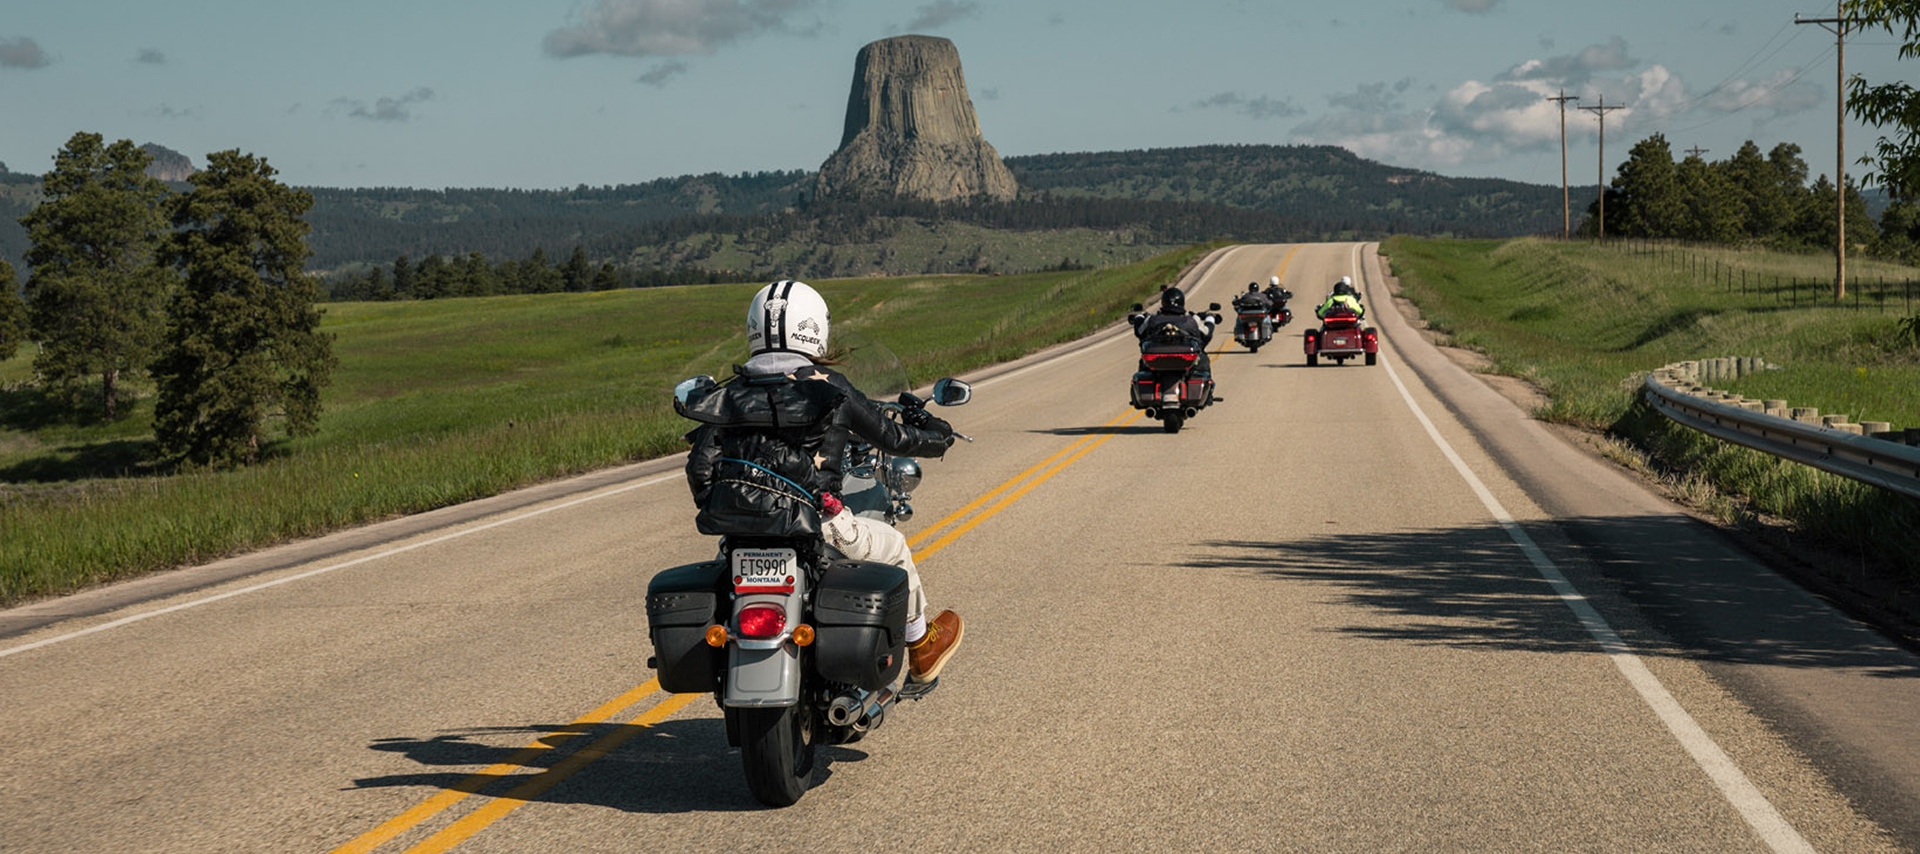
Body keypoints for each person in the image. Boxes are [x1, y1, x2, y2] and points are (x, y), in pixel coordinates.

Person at [682, 279, 963, 684]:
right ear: (814, 328)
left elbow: (699, 469)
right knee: (894, 547)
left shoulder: (728, 395)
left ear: (754, 330)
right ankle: (921, 648)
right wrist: (938, 432)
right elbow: (895, 438)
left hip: (740, 529)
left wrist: (720, 506)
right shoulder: (829, 389)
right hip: (819, 521)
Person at [1131, 285, 1217, 377]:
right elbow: (1206, 335)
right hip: (1186, 366)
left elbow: (1139, 332)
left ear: (1163, 302)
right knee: (1203, 359)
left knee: (1143, 364)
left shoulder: (1152, 319)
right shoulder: (1191, 320)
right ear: (1182, 302)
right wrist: (1210, 319)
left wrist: (1139, 317)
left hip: (1157, 364)